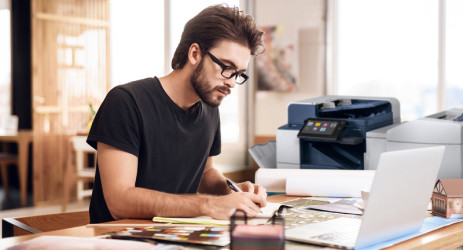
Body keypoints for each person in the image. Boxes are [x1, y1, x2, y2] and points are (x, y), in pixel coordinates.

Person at [87, 4, 267, 224]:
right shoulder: (126, 102)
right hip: (118, 239)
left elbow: (205, 173)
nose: (231, 82)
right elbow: (119, 202)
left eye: (238, 74)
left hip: (178, 235)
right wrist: (209, 205)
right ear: (194, 54)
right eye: (227, 67)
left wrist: (230, 191)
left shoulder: (210, 108)